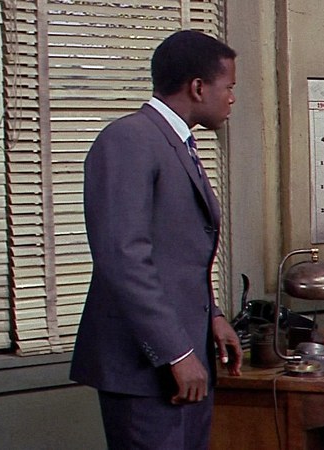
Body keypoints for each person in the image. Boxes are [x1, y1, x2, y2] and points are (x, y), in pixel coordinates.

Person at [70, 30, 243, 450]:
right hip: (146, 367)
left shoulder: (176, 143)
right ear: (198, 87)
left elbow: (177, 253)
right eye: (228, 87)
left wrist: (213, 315)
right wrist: (176, 352)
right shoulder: (129, 140)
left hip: (188, 353)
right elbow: (123, 257)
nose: (232, 98)